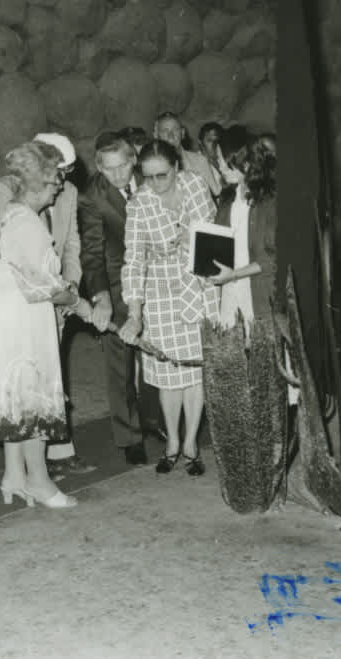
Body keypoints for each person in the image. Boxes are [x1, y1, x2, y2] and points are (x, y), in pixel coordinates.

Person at [0, 142, 92, 508]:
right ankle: (40, 482)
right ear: (40, 181)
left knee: (15, 396)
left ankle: (14, 475)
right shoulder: (26, 223)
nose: (59, 185)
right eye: (56, 178)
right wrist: (79, 303)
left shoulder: (10, 212)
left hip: (1, 310)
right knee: (32, 394)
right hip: (18, 316)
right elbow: (42, 286)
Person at [119, 139, 220, 476]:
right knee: (167, 375)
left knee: (194, 372)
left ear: (177, 167)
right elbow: (133, 261)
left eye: (162, 175)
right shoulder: (139, 203)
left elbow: (211, 238)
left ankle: (191, 442)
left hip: (198, 284)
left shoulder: (195, 185)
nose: (155, 184)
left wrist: (209, 286)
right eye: (148, 177)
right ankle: (172, 441)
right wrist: (134, 313)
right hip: (159, 292)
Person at [79, 132, 162, 465]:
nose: (116, 176)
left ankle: (158, 420)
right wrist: (102, 298)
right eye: (108, 170)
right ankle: (130, 436)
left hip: (159, 277)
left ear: (133, 160)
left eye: (122, 167)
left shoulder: (152, 178)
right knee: (120, 364)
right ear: (99, 168)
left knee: (158, 353)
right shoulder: (93, 197)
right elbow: (92, 253)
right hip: (116, 284)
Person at [207, 128, 279, 344]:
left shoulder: (270, 201)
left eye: (222, 160)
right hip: (231, 292)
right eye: (217, 159)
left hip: (260, 295)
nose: (219, 166)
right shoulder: (227, 198)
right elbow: (220, 242)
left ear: (244, 163)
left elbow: (273, 259)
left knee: (265, 365)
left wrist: (235, 274)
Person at [153, 113, 222, 197]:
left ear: (182, 133)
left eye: (175, 130)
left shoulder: (199, 161)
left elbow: (215, 194)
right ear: (156, 135)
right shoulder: (149, 165)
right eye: (165, 131)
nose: (170, 135)